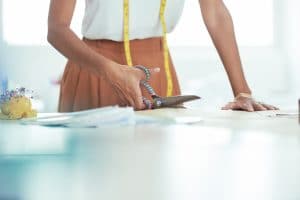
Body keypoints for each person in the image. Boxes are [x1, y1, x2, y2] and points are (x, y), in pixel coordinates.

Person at [47, 0, 278, 112]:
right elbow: (56, 28)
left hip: (156, 70)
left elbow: (215, 12)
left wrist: (242, 92)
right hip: (97, 71)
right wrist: (110, 72)